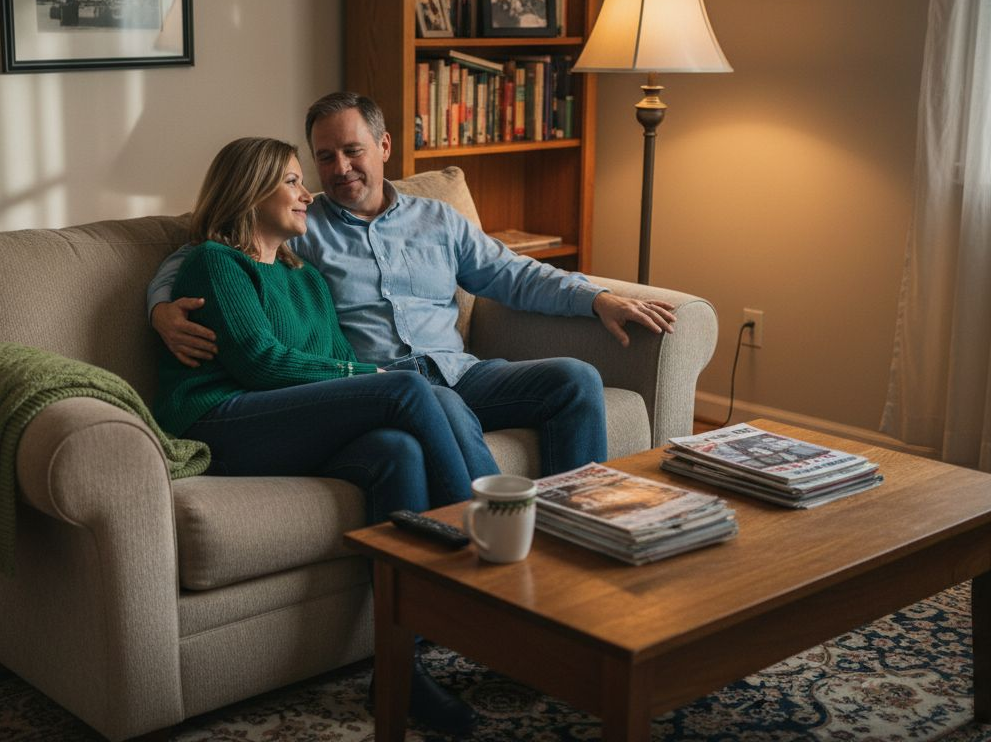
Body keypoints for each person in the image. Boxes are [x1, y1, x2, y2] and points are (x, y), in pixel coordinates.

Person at [149, 92, 677, 481]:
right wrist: (161, 308)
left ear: (383, 146)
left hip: (459, 372)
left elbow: (511, 273)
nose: (339, 169)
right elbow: (207, 247)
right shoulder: (301, 231)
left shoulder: (438, 220)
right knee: (425, 405)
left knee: (574, 380)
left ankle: (579, 521)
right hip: (382, 385)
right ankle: (497, 529)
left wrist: (596, 298)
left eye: (352, 151)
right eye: (325, 157)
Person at [154, 136, 480, 736]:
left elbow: (327, 360)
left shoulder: (304, 277)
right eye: (291, 181)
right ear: (251, 193)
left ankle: (398, 672)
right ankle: (483, 554)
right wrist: (372, 377)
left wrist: (359, 379)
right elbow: (260, 362)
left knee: (396, 449)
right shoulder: (215, 263)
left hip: (283, 420)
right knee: (406, 389)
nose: (308, 193)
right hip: (221, 417)